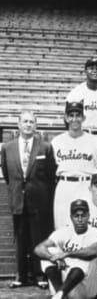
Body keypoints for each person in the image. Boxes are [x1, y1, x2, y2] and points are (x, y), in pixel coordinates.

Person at [1, 111, 56, 288]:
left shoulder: (45, 147)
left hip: (38, 201)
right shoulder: (7, 148)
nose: (28, 125)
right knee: (20, 239)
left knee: (37, 238)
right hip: (18, 199)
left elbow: (50, 175)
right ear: (18, 124)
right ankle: (21, 276)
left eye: (31, 122)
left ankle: (39, 275)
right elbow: (8, 175)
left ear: (36, 125)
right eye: (24, 121)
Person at [34, 200, 97, 299]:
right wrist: (53, 258)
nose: (80, 219)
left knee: (84, 261)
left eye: (83, 215)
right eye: (76, 216)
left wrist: (67, 254)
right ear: (71, 217)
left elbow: (95, 249)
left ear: (88, 216)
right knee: (49, 253)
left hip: (87, 287)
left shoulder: (94, 233)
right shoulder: (64, 231)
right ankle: (60, 294)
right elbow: (38, 248)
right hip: (67, 283)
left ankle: (60, 294)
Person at [51, 102, 97, 229]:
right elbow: (52, 168)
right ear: (66, 118)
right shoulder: (57, 141)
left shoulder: (95, 141)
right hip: (65, 185)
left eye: (78, 115)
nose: (74, 119)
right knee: (62, 225)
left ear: (83, 118)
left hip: (86, 185)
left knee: (87, 225)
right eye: (71, 115)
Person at [66, 58, 97, 134]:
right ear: (85, 71)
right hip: (83, 134)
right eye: (91, 68)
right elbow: (66, 119)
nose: (95, 71)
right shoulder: (76, 93)